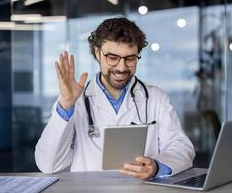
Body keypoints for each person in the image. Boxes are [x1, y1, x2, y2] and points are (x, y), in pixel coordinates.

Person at [35, 17, 195, 179]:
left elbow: (181, 148)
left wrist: (157, 166)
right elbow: (48, 164)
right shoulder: (76, 101)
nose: (121, 67)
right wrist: (66, 105)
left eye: (130, 58)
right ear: (97, 52)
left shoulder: (155, 98)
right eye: (112, 57)